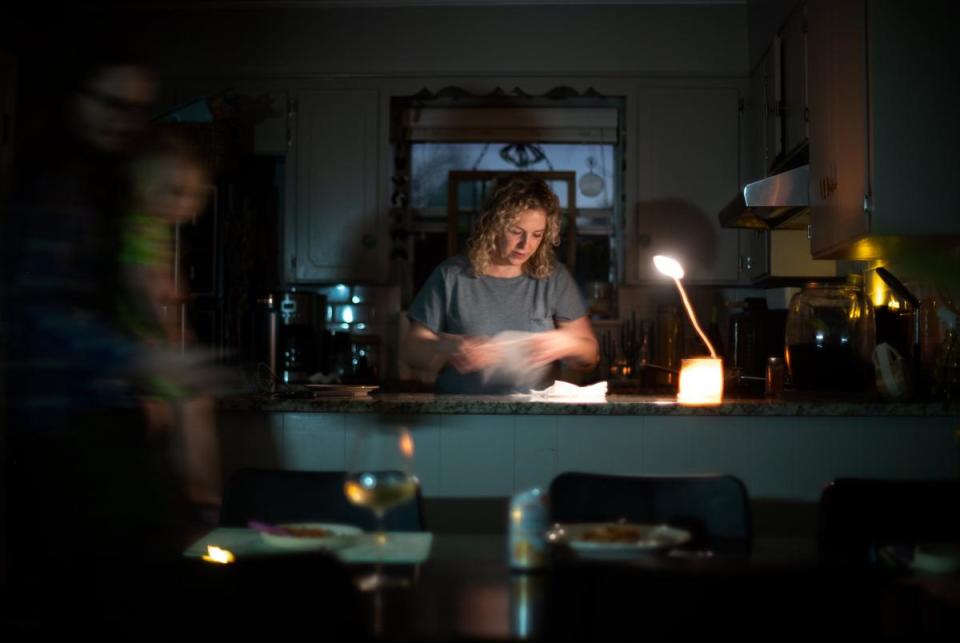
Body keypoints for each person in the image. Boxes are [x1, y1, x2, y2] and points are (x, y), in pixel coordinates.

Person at [402, 174, 599, 393]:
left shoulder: (554, 277)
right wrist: (446, 345)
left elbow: (590, 356)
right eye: (516, 232)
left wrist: (566, 343)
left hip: (536, 417)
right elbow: (411, 350)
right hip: (460, 414)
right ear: (493, 224)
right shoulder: (452, 275)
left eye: (537, 235)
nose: (526, 245)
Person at [119, 133, 222, 512]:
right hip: (136, 345)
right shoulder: (140, 226)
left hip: (144, 342)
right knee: (191, 404)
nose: (188, 203)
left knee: (185, 406)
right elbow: (141, 281)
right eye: (176, 192)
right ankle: (204, 499)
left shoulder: (154, 228)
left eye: (194, 194)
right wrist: (165, 319)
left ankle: (192, 496)